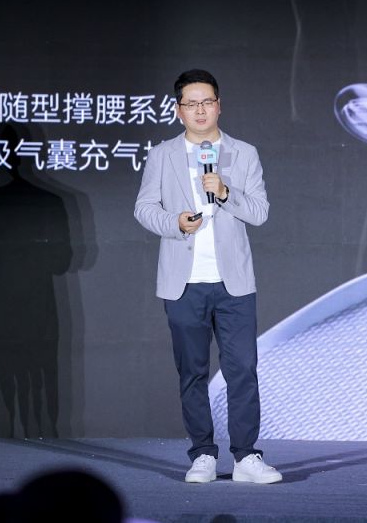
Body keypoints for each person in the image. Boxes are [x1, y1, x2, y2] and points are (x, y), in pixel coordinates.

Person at [134, 69, 281, 484]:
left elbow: (260, 212)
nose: (200, 110)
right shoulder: (162, 155)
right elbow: (144, 208)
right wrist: (175, 222)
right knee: (193, 372)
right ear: (178, 110)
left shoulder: (244, 153)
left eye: (207, 102)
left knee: (242, 370)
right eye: (191, 103)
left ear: (219, 105)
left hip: (234, 283)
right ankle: (202, 454)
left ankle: (246, 456)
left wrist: (226, 191)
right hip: (183, 282)